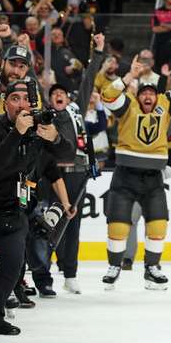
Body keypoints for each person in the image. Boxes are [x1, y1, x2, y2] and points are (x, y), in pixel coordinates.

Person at [0, 80, 74, 336]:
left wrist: (56, 137)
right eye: (14, 99)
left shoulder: (39, 128)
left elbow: (68, 155)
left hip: (9, 206)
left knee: (14, 261)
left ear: (34, 104)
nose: (21, 105)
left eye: (26, 99)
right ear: (5, 103)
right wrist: (16, 133)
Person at [99, 47, 171, 290]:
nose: (147, 96)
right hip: (125, 174)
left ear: (156, 97)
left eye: (151, 94)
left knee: (157, 223)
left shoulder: (164, 106)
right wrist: (128, 77)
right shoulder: (127, 106)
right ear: (138, 95)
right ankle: (114, 267)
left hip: (153, 177)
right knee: (118, 224)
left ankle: (152, 269)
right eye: (143, 93)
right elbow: (107, 96)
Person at [29, 34, 106, 296]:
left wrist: (98, 53)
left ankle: (70, 273)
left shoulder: (76, 109)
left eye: (62, 92)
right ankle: (44, 276)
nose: (59, 95)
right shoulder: (45, 115)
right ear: (49, 100)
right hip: (54, 176)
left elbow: (88, 81)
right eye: (54, 93)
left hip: (79, 176)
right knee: (48, 224)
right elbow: (34, 86)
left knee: (73, 227)